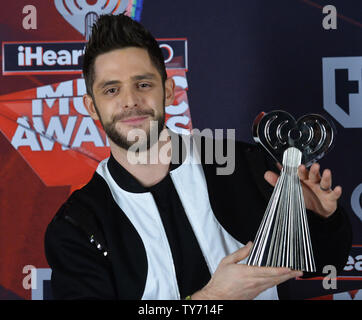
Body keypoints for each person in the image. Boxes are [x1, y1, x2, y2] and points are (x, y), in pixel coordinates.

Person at [44, 13, 352, 300]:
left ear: (167, 91)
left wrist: (320, 219)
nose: (130, 101)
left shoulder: (239, 163)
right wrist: (214, 298)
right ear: (90, 106)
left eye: (143, 84)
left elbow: (321, 261)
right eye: (111, 90)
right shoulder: (77, 226)